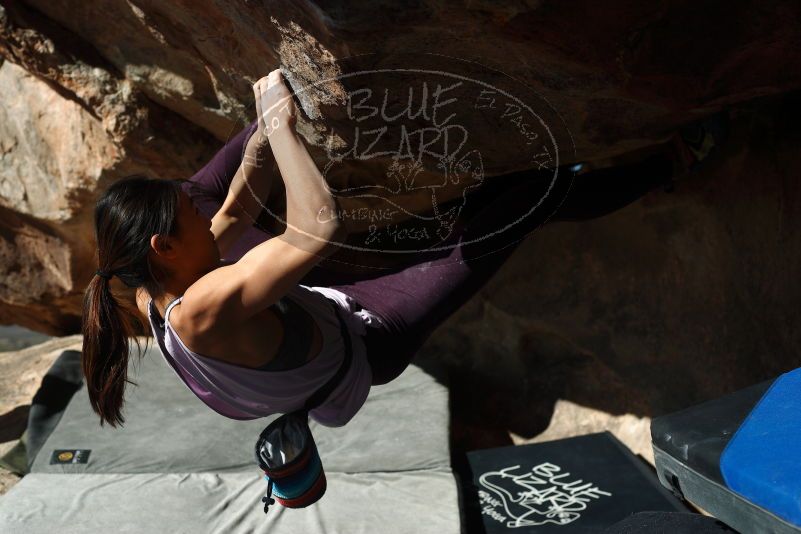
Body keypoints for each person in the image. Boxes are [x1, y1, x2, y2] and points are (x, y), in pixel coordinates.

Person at [82, 68, 721, 428]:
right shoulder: (201, 310)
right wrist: (279, 130)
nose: (201, 212)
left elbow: (232, 210)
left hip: (329, 312)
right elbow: (316, 227)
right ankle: (671, 163)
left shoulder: (153, 283)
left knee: (484, 205)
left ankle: (588, 182)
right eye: (186, 216)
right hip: (371, 340)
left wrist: (257, 140)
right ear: (164, 246)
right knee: (526, 203)